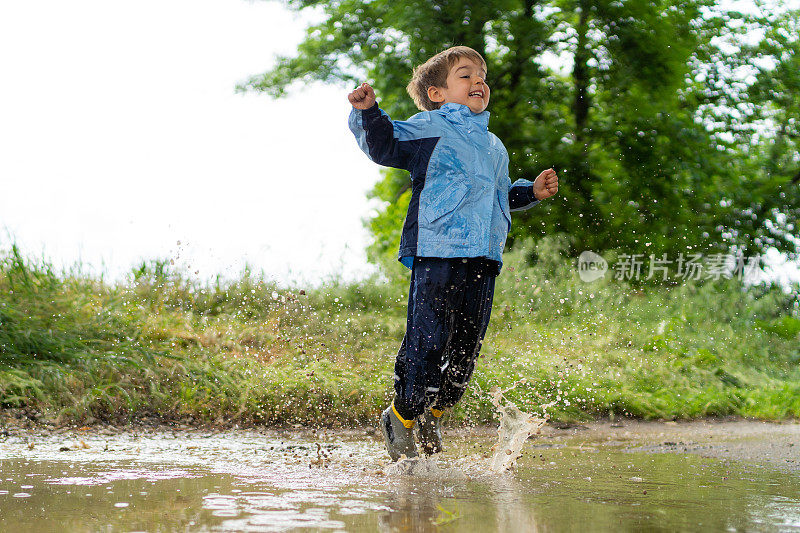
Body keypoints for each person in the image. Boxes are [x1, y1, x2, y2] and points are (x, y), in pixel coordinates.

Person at [347, 46, 559, 461]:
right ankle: (402, 415)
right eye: (465, 75)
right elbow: (385, 146)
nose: (478, 81)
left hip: (483, 256)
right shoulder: (429, 127)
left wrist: (529, 192)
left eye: (482, 75)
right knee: (428, 342)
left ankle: (435, 413)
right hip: (438, 250)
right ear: (438, 93)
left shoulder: (495, 146)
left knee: (465, 350)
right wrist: (369, 112)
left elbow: (498, 196)